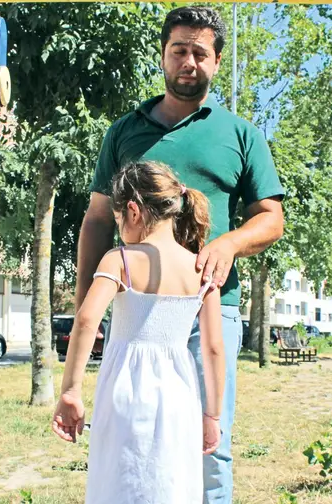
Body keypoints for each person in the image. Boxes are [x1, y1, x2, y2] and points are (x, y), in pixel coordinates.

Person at [74, 6, 284, 502]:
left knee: (210, 442)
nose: (189, 61)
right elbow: (98, 221)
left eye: (200, 52)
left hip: (211, 306)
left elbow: (271, 218)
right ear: (163, 55)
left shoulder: (241, 135)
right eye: (179, 50)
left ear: (216, 62)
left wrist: (229, 242)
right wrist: (90, 306)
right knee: (132, 437)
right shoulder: (124, 131)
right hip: (136, 313)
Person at [52, 161, 226, 503]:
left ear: (132, 210)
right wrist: (213, 415)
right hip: (180, 396)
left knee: (120, 483)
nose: (120, 230)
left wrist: (71, 391)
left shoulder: (120, 260)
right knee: (171, 483)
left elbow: (87, 321)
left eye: (118, 221)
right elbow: (214, 348)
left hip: (124, 392)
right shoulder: (202, 268)